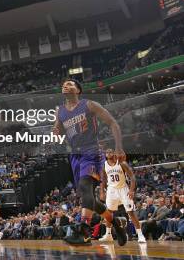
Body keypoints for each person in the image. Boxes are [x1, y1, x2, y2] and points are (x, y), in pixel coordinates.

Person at [53, 78, 127, 246]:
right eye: (64, 84)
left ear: (78, 90)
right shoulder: (60, 111)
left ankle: (84, 232)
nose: (66, 85)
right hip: (75, 155)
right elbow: (57, 128)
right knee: (90, 200)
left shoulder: (89, 105)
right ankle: (116, 224)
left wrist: (119, 147)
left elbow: (112, 123)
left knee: (87, 187)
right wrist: (56, 131)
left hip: (91, 151)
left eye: (70, 84)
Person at [99, 148, 146, 243]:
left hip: (123, 189)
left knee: (131, 212)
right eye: (107, 152)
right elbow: (103, 180)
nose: (108, 153)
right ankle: (108, 235)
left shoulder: (122, 164)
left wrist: (132, 190)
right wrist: (102, 192)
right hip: (111, 190)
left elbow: (132, 177)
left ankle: (140, 235)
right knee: (108, 212)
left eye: (110, 152)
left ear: (114, 153)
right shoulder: (104, 165)